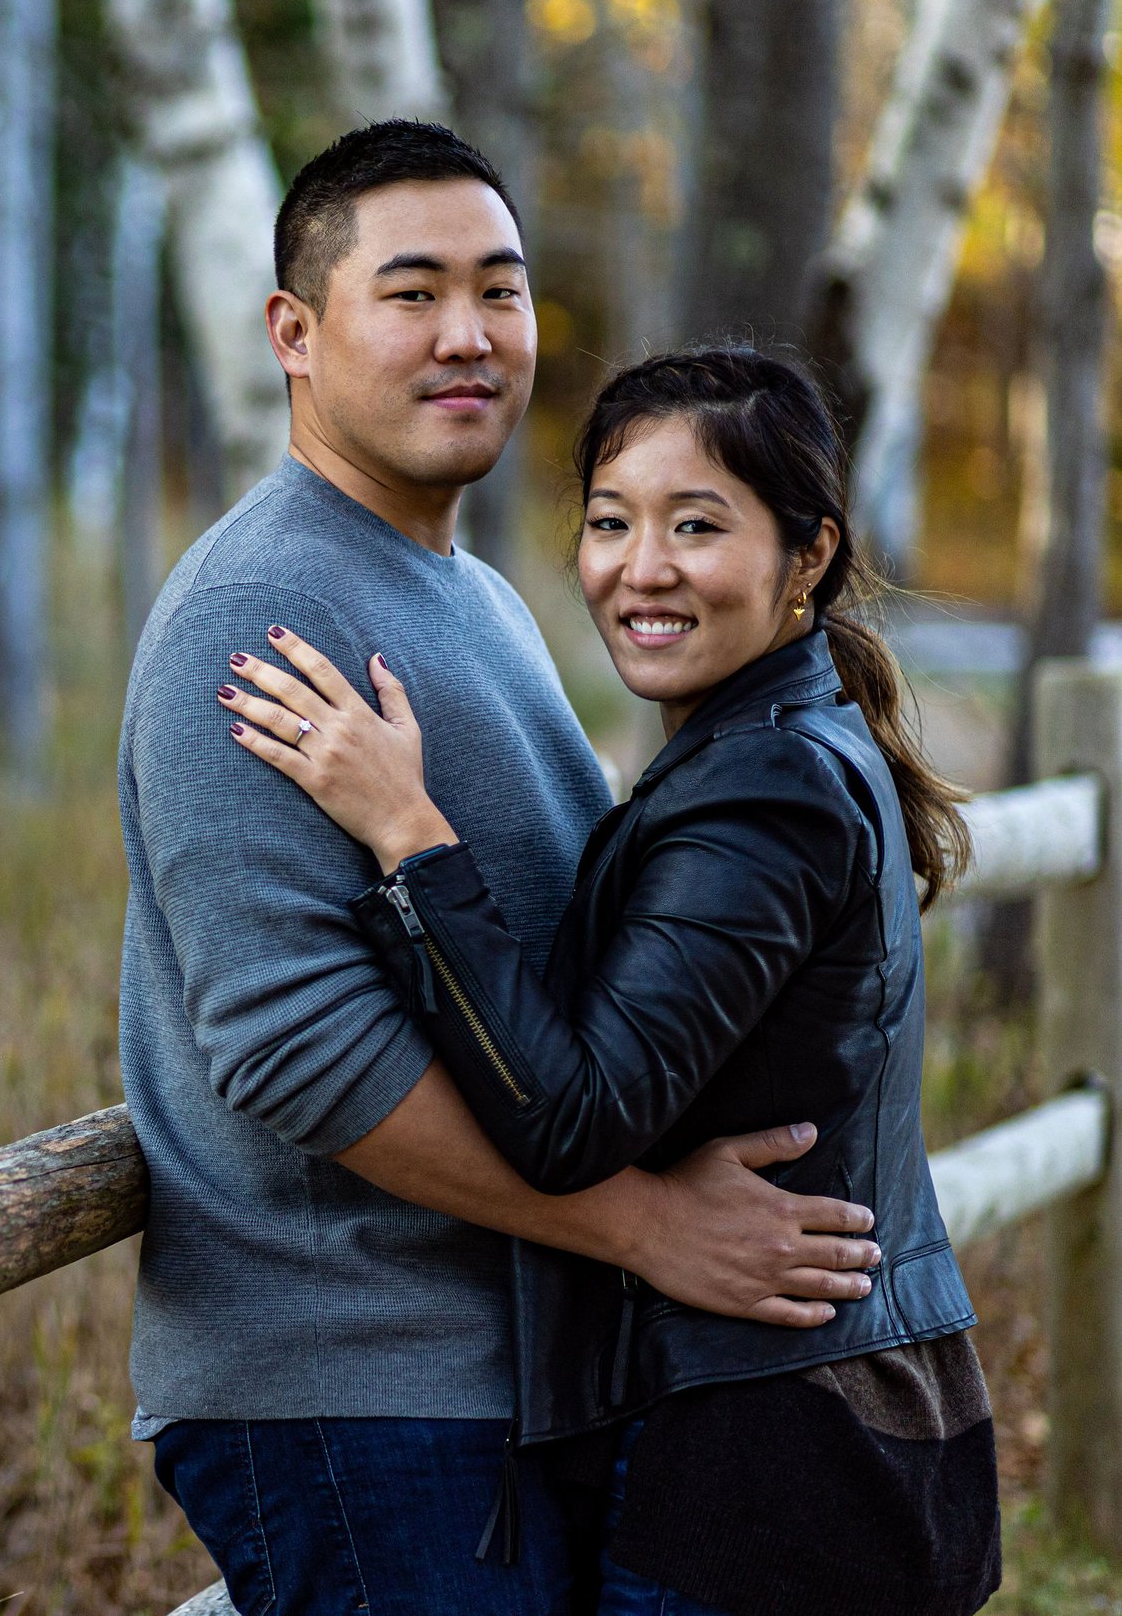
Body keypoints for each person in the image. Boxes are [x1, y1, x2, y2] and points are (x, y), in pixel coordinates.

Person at [120, 120, 883, 1616]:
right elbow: (296, 1049)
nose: (468, 336)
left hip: (507, 1362)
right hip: (358, 1373)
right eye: (411, 293)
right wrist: (643, 1223)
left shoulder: (478, 596)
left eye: (501, 289)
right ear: (295, 330)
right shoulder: (262, 611)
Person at [218, 345, 998, 1616]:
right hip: (817, 1423)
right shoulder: (779, 740)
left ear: (806, 555)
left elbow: (572, 1115)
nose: (641, 568)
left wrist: (411, 835)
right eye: (609, 521)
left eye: (698, 525)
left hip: (773, 1463)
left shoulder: (765, 787)